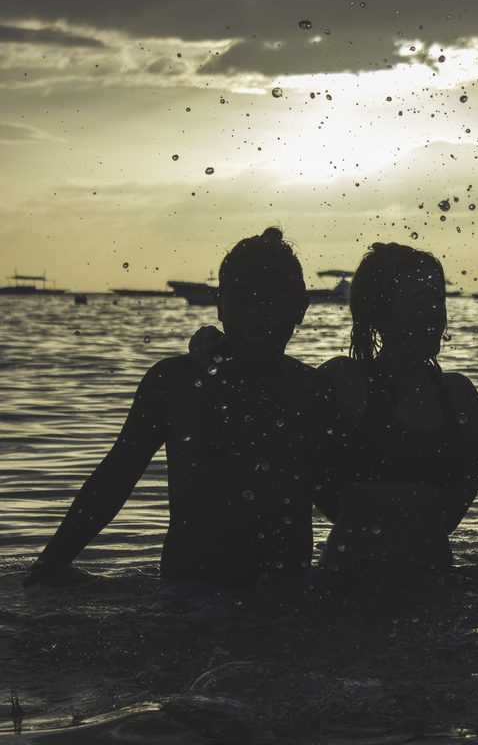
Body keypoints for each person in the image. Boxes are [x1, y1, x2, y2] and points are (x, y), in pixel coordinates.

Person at [24, 228, 338, 588]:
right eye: (241, 301)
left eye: (271, 301)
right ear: (219, 305)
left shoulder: (314, 392)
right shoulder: (175, 383)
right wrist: (52, 561)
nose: (255, 315)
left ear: (301, 308)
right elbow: (115, 477)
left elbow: (338, 499)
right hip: (187, 596)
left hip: (285, 596)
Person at [316, 243, 478, 575]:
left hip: (433, 580)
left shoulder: (458, 394)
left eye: (438, 299)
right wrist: (361, 523)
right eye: (419, 302)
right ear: (380, 312)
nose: (434, 314)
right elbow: (304, 467)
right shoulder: (345, 381)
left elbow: (463, 494)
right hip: (349, 581)